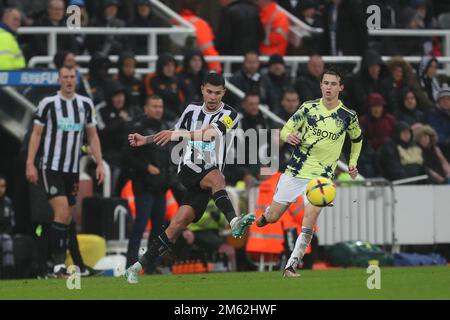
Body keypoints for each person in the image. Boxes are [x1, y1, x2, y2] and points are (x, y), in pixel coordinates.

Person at [124, 73, 256, 283]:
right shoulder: (191, 110)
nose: (212, 97)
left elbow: (209, 134)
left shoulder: (231, 114)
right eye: (209, 92)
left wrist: (177, 135)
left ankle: (136, 267)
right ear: (203, 89)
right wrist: (145, 139)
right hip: (189, 168)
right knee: (218, 177)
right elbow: (171, 133)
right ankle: (234, 221)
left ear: (224, 93)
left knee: (176, 226)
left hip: (205, 179)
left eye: (217, 93)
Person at [255, 69, 362, 277]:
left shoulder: (348, 116)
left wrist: (352, 162)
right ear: (321, 86)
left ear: (341, 88)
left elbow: (357, 139)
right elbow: (285, 130)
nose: (329, 87)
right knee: (275, 216)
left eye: (333, 84)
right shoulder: (308, 108)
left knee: (310, 218)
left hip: (321, 179)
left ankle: (292, 265)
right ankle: (266, 215)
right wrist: (289, 137)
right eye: (326, 83)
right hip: (295, 171)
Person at [25, 66, 105, 277]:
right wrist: (30, 163)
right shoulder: (48, 104)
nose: (69, 80)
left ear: (76, 80)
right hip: (50, 166)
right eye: (65, 77)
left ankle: (61, 264)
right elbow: (36, 134)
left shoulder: (85, 104)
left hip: (72, 169)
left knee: (67, 215)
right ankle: (58, 265)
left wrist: (99, 162)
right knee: (61, 210)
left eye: (72, 77)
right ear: (59, 80)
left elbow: (93, 136)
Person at [122, 95, 174, 271]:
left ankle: (152, 265)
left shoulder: (165, 128)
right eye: (154, 106)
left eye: (160, 106)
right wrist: (146, 167)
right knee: (140, 227)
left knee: (159, 230)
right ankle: (130, 264)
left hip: (161, 187)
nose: (158, 109)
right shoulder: (137, 128)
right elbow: (127, 157)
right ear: (146, 108)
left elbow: (168, 157)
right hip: (144, 186)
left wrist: (168, 178)